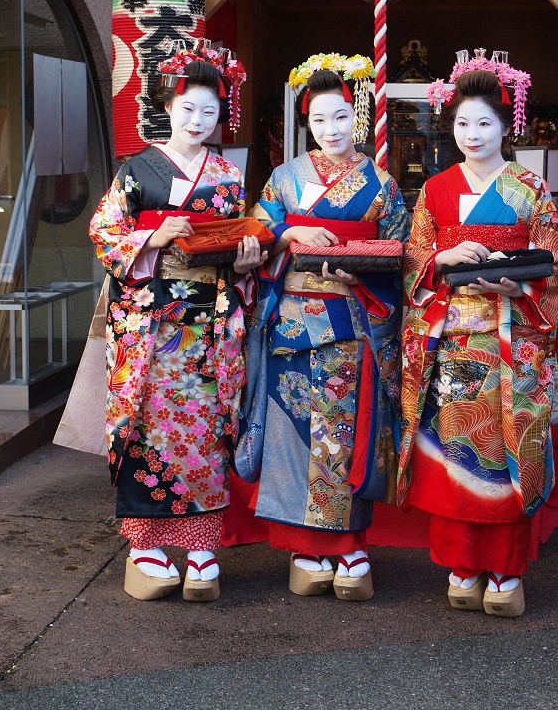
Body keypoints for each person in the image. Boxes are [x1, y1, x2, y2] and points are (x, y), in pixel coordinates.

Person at [89, 48, 266, 602]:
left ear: (220, 118)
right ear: (169, 108)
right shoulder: (137, 169)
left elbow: (245, 237)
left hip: (211, 323)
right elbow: (102, 231)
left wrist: (245, 260)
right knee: (148, 426)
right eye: (188, 109)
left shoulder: (228, 176)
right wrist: (152, 238)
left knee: (209, 426)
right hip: (152, 323)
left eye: (209, 113)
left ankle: (203, 549)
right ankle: (146, 551)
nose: (197, 122)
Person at [397, 57, 558, 617]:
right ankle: (461, 566)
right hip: (455, 347)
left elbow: (556, 268)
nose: (473, 136)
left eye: (485, 125)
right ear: (451, 128)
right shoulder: (436, 190)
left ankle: (506, 572)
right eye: (463, 125)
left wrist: (517, 284)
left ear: (506, 127)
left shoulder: (529, 187)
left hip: (512, 342)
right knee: (459, 457)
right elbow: (414, 260)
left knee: (510, 452)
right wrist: (443, 257)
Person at [246, 53, 409, 600]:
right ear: (306, 123)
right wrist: (291, 237)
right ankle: (303, 548)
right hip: (291, 323)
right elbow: (258, 234)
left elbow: (403, 257)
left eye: (340, 117)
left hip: (352, 320)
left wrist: (359, 265)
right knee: (294, 433)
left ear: (357, 116)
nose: (330, 130)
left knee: (344, 433)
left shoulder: (382, 184)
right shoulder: (285, 178)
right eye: (318, 120)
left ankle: (350, 547)